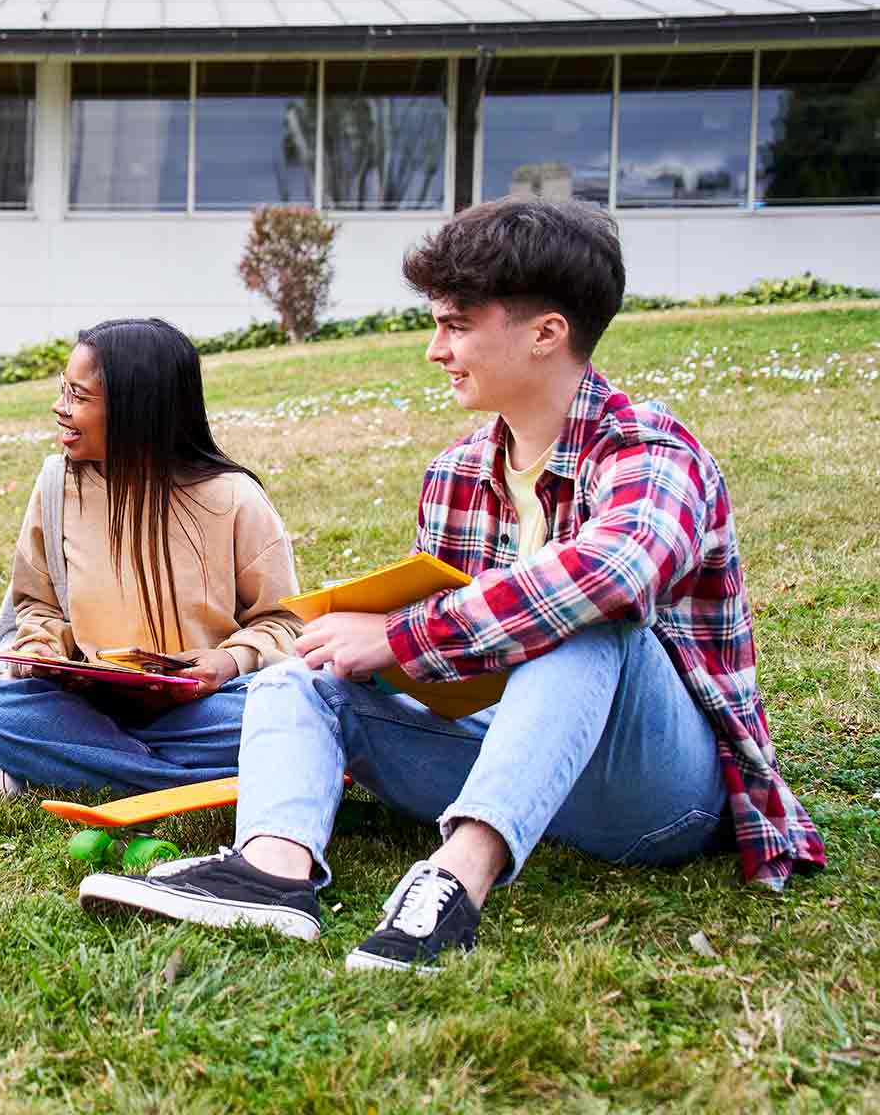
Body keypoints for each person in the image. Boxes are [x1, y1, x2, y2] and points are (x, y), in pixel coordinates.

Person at [80, 199, 826, 971]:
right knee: (304, 672)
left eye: (457, 325)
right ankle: (270, 872)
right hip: (508, 761)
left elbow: (612, 575)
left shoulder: (649, 448)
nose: (436, 350)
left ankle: (452, 885)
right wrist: (364, 642)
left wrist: (401, 634)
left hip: (658, 795)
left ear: (547, 334)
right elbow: (454, 667)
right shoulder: (458, 473)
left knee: (591, 618)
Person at [0, 318, 303, 796]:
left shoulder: (233, 497)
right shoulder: (58, 486)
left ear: (134, 409)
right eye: (65, 391)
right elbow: (37, 606)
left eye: (78, 397)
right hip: (91, 706)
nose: (59, 408)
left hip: (207, 706)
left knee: (297, 707)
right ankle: (202, 780)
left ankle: (89, 764)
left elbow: (285, 623)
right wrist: (43, 650)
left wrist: (227, 662)